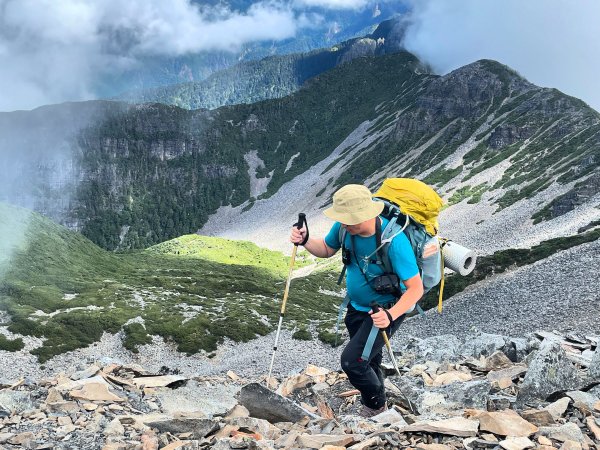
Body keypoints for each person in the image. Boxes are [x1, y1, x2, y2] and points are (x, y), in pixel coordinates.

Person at [290, 184, 424, 417]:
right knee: (369, 359)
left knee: (352, 362)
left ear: (365, 214)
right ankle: (378, 397)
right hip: (356, 307)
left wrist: (390, 316)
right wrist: (305, 239)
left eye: (347, 219)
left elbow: (415, 289)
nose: (342, 223)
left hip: (384, 311)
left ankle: (375, 406)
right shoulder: (344, 228)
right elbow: (325, 249)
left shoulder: (395, 241)